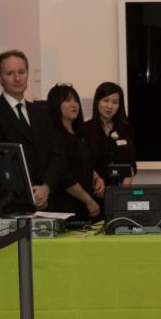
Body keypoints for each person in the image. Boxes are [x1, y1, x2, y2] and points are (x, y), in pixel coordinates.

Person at [0, 50, 60, 218]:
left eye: (21, 72)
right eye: (10, 73)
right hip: (7, 205)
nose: (17, 78)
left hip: (44, 205)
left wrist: (46, 187)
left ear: (27, 74)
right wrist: (28, 190)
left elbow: (56, 154)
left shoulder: (42, 113)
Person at [46, 84, 104, 221]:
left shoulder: (81, 134)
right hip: (66, 208)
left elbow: (87, 163)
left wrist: (97, 178)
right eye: (67, 100)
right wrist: (89, 201)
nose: (74, 104)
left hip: (86, 206)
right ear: (55, 105)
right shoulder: (53, 136)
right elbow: (64, 177)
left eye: (75, 100)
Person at [86, 82, 137, 187]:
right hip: (93, 191)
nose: (110, 106)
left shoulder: (126, 130)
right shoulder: (86, 129)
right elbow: (83, 163)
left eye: (115, 102)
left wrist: (121, 192)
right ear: (97, 102)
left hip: (120, 191)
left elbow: (131, 165)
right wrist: (96, 180)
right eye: (105, 100)